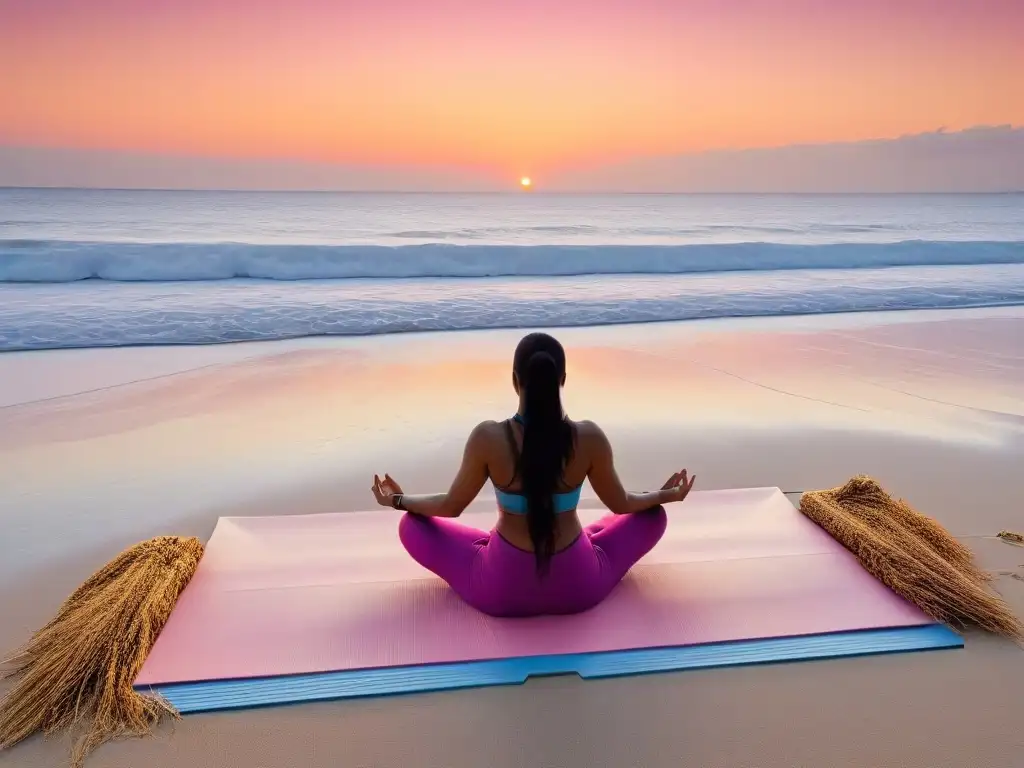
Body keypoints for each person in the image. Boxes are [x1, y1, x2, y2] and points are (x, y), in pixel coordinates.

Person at [371, 332, 696, 618]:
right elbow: (623, 503)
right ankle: (587, 543)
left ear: (515, 380)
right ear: (563, 379)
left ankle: (490, 546)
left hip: (501, 588)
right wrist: (665, 496)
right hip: (578, 586)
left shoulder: (489, 438)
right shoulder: (589, 438)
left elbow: (451, 506)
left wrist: (399, 500)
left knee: (412, 525)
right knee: (653, 517)